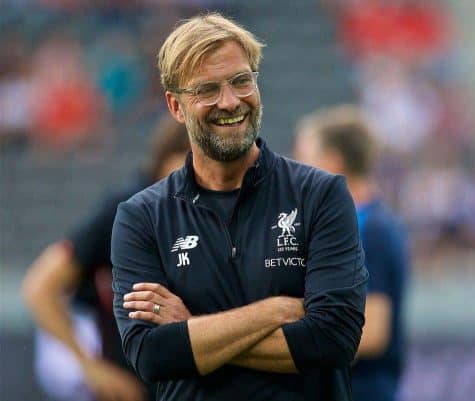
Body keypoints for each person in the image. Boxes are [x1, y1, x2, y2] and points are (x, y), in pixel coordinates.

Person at [110, 12, 368, 401]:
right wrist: (277, 311)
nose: (230, 102)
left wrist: (192, 329)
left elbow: (333, 339)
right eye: (207, 89)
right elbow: (152, 354)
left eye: (241, 81)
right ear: (176, 107)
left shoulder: (321, 194)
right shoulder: (141, 217)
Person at [21, 114, 190, 401]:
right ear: (167, 160)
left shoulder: (212, 214)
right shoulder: (125, 211)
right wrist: (90, 367)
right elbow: (40, 286)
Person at [294, 105, 410, 401]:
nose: (295, 169)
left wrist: (288, 349)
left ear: (332, 162)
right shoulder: (345, 225)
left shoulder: (371, 230)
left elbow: (372, 332)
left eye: (304, 157)